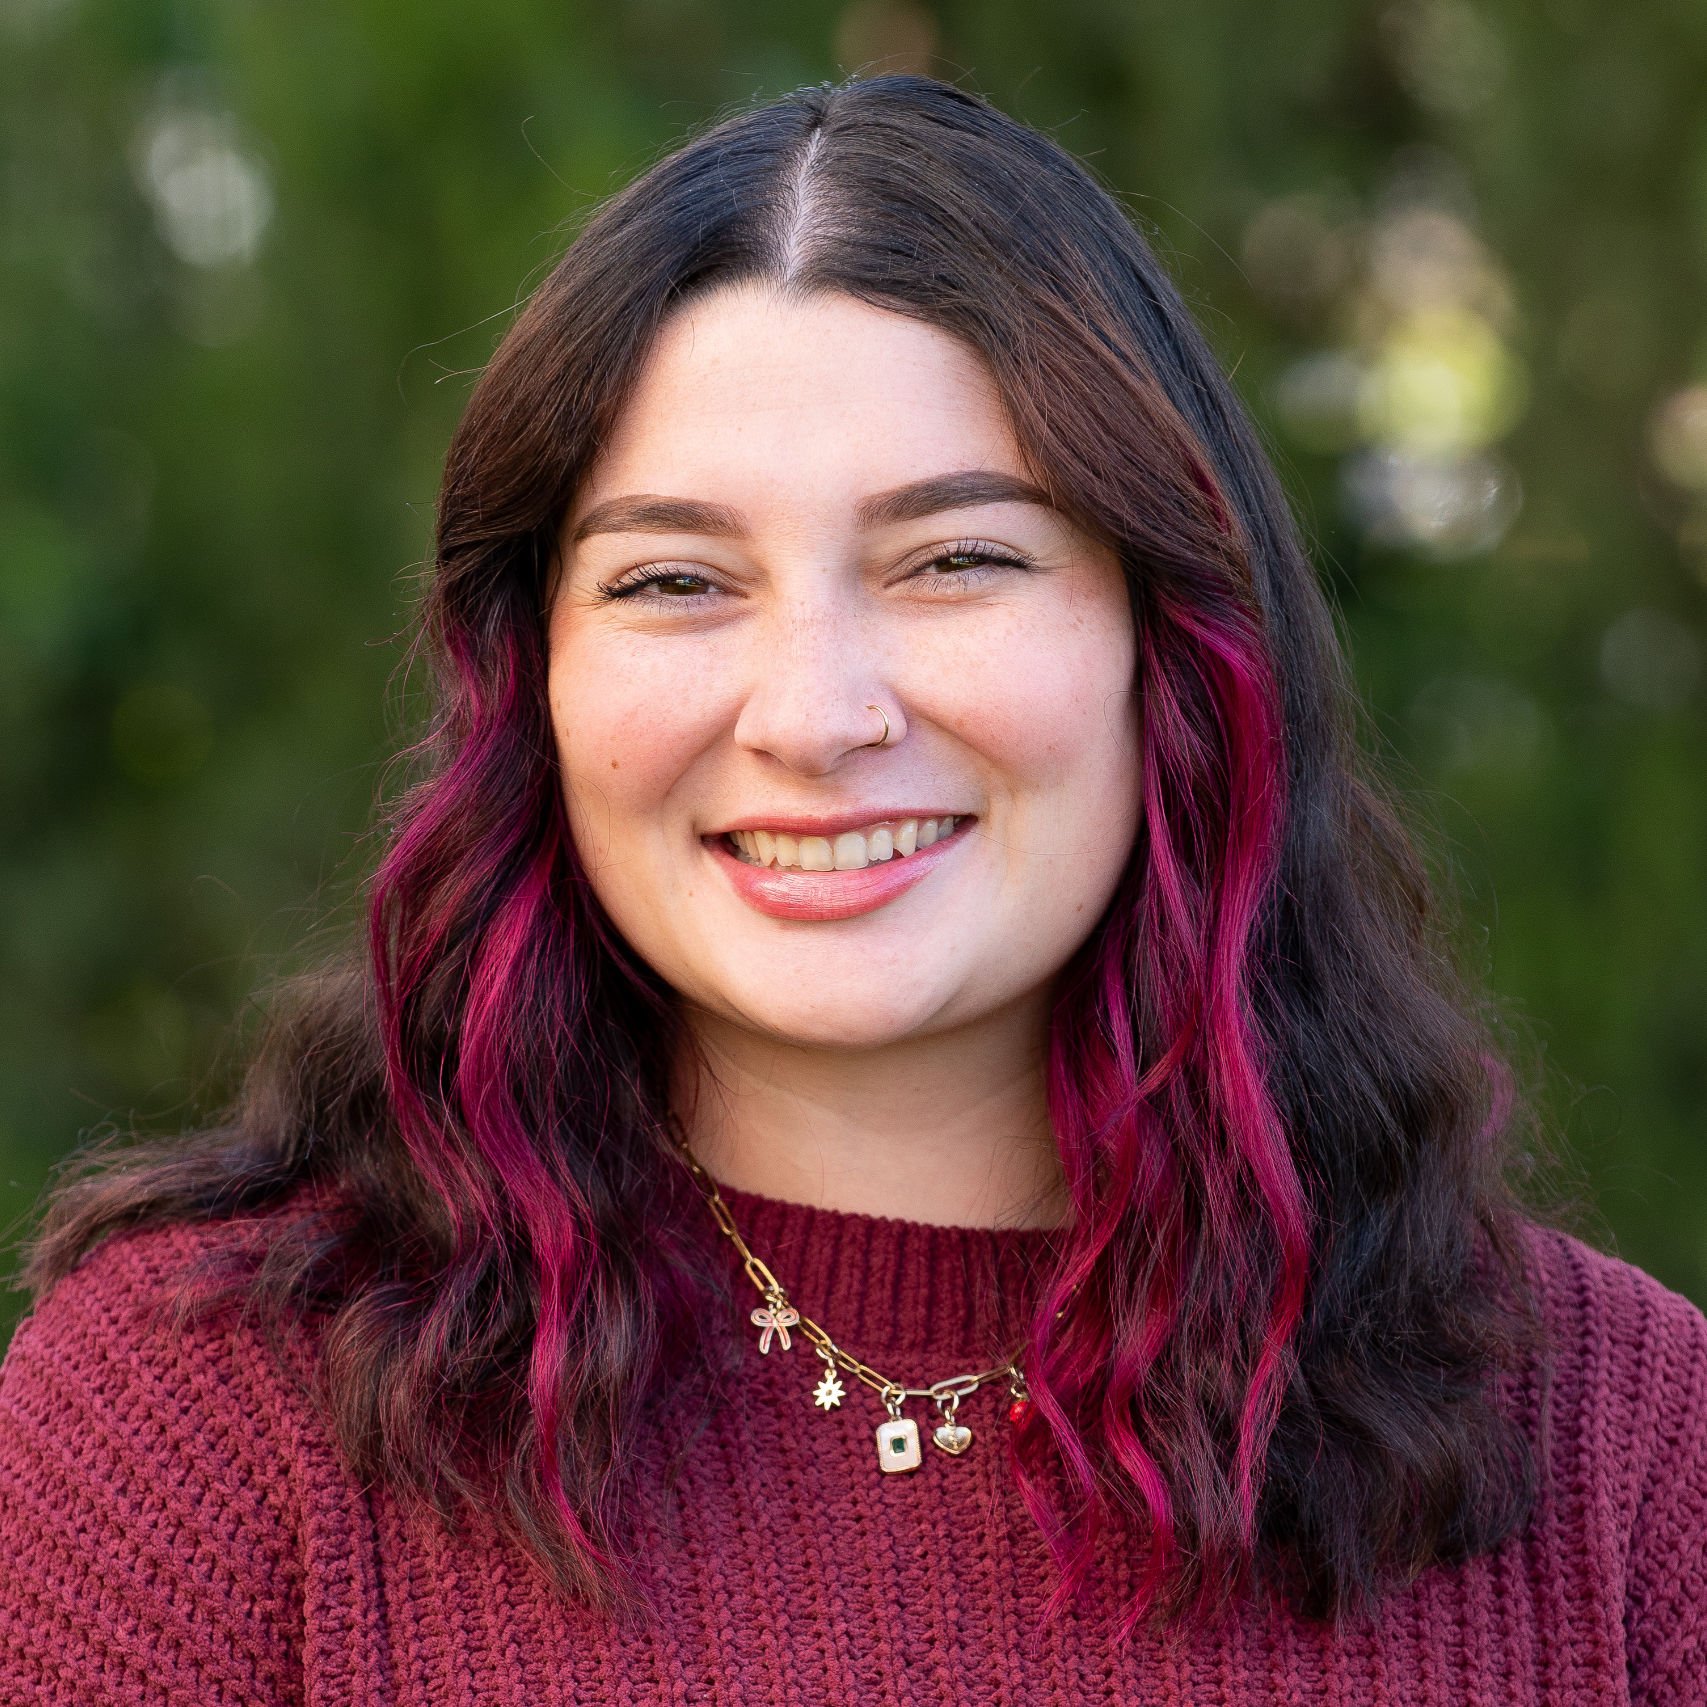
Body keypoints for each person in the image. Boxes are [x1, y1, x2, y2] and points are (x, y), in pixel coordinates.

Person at [1, 72, 1703, 1706]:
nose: (815, 717)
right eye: (675, 579)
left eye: (957, 559)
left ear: (1167, 647)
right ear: (538, 688)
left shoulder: (1629, 1450)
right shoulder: (199, 1430)